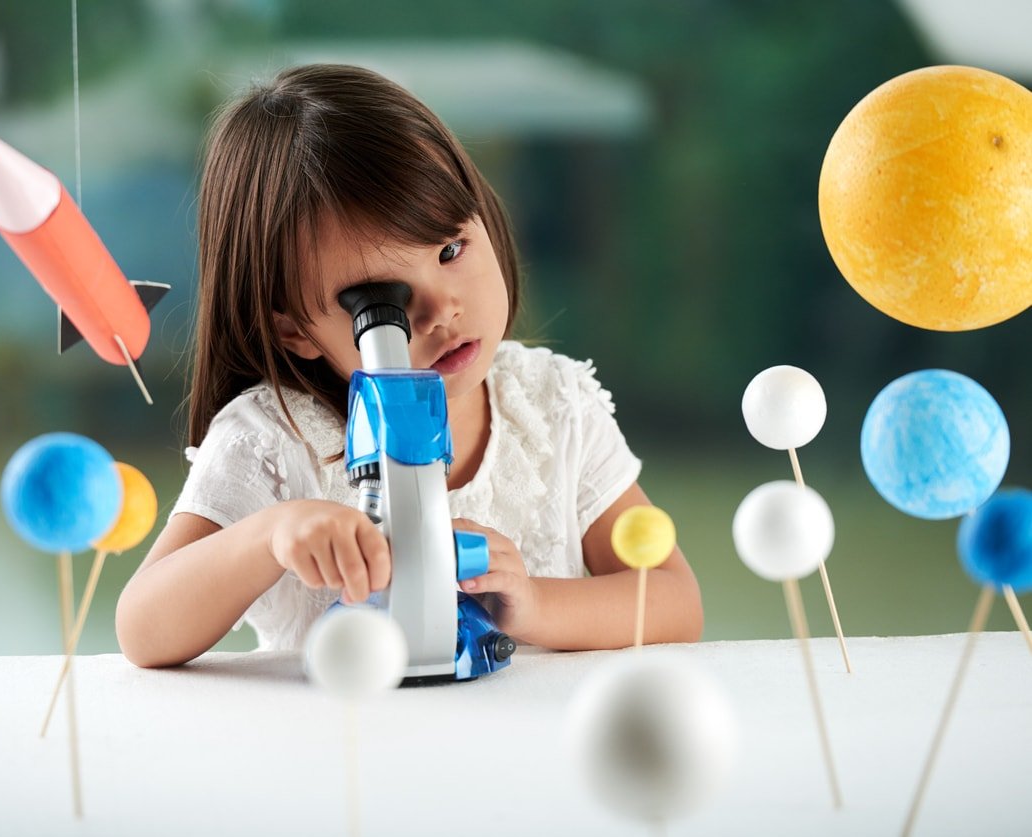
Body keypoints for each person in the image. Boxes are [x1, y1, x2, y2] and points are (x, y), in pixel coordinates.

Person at [116, 64, 703, 667]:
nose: (440, 309)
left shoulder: (552, 405)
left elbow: (674, 600)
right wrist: (270, 536)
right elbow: (142, 630)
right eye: (381, 302)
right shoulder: (271, 439)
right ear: (293, 328)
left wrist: (533, 605)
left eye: (450, 250)